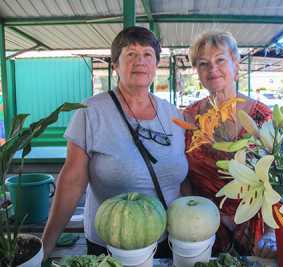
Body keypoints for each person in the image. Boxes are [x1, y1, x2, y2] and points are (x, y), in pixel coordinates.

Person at [42, 26, 188, 258]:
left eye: (147, 54)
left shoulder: (175, 116)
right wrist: (46, 245)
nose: (140, 61)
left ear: (156, 65)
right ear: (116, 66)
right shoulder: (91, 111)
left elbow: (184, 180)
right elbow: (71, 181)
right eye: (130, 54)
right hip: (112, 242)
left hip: (168, 238)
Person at [182, 31, 275, 257]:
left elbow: (277, 177)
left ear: (236, 64)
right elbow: (183, 176)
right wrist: (185, 219)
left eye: (220, 60)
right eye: (203, 63)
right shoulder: (189, 117)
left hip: (256, 229)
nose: (212, 68)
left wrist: (272, 233)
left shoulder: (261, 115)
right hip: (203, 227)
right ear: (198, 72)